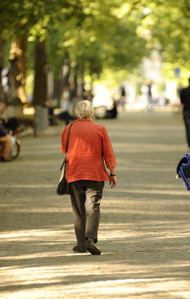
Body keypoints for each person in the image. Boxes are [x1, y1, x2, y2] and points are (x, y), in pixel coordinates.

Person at [61, 100, 117, 255]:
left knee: (78, 209)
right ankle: (90, 239)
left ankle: (80, 245)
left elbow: (63, 148)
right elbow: (108, 153)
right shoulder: (100, 129)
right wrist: (112, 173)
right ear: (92, 114)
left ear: (77, 114)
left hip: (74, 173)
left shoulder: (69, 128)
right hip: (95, 174)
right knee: (92, 206)